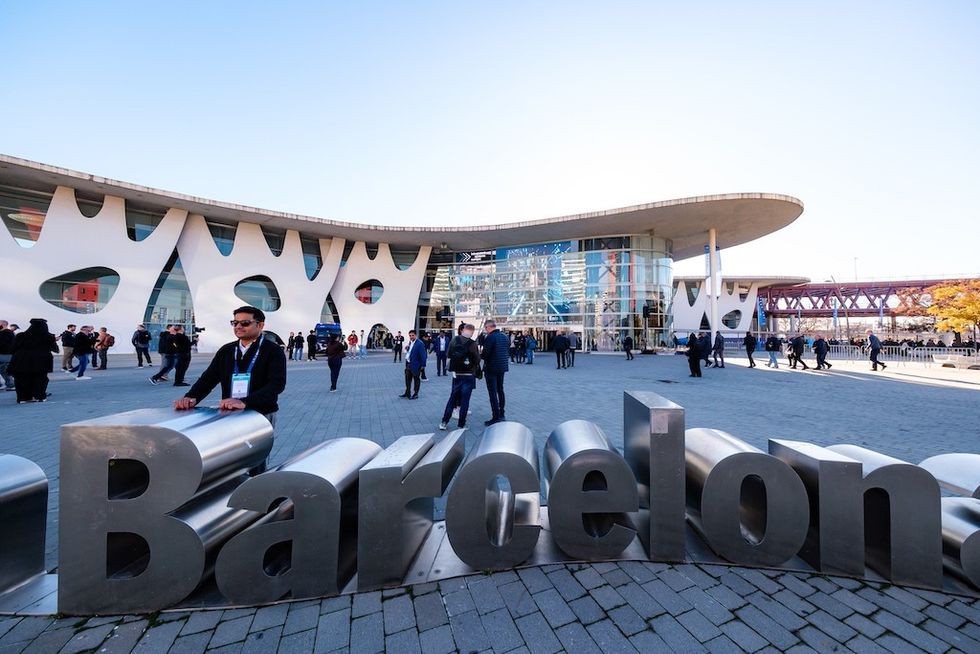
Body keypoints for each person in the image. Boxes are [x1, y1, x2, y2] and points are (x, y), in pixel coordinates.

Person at [174, 306, 287, 427]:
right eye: (235, 323)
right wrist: (191, 397)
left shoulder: (273, 350)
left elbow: (276, 384)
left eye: (245, 323)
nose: (238, 326)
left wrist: (245, 402)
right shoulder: (227, 350)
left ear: (260, 325)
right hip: (231, 411)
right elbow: (208, 378)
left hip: (260, 413)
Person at [439, 323, 482, 430]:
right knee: (465, 401)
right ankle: (461, 424)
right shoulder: (473, 344)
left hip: (456, 375)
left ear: (463, 330)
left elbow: (448, 355)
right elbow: (477, 360)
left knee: (452, 399)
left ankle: (444, 422)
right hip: (468, 375)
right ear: (472, 332)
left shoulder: (454, 340)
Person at [8, 318, 58, 403]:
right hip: (41, 360)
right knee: (40, 378)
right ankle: (39, 396)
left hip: (21, 360)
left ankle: (23, 398)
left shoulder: (21, 335)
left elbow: (13, 349)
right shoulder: (49, 336)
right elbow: (55, 349)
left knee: (22, 379)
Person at [481, 319, 509, 425]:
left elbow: (485, 354)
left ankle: (495, 416)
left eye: (485, 328)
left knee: (492, 392)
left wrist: (480, 356)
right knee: (500, 389)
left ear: (488, 327)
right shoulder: (504, 336)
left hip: (491, 368)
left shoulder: (490, 337)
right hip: (502, 367)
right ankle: (502, 413)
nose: (485, 330)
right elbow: (506, 349)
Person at [399, 330, 426, 399]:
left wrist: (423, 365)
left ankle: (416, 393)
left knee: (416, 379)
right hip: (408, 364)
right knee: (407, 379)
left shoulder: (420, 343)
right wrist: (407, 349)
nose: (411, 337)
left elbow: (423, 355)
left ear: (416, 335)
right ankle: (407, 392)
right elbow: (411, 352)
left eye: (412, 335)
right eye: (410, 335)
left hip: (416, 365)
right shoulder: (410, 342)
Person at [0, 320, 15, 392]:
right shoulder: (7, 332)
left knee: (4, 370)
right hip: (6, 354)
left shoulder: (5, 333)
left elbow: (2, 344)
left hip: (5, 354)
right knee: (4, 369)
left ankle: (11, 384)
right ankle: (9, 384)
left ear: (3, 324)